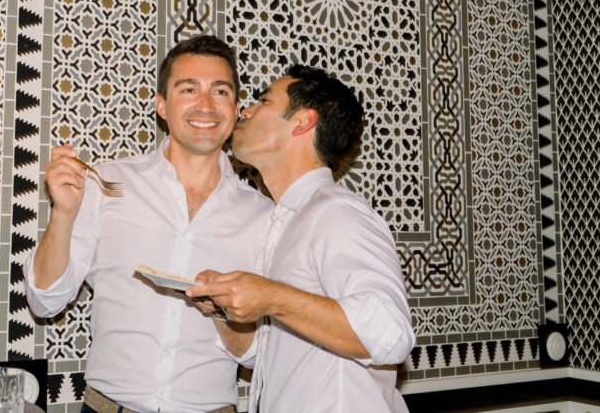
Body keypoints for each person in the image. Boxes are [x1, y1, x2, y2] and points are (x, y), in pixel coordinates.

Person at [24, 35, 273, 413]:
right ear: (162, 105)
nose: (205, 105)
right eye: (188, 89)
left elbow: (261, 357)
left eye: (220, 91)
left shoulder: (264, 215)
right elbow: (45, 301)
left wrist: (225, 314)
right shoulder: (104, 183)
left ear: (237, 109)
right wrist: (63, 213)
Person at [186, 64, 414, 412]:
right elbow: (262, 356)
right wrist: (223, 311)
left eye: (263, 100)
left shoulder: (337, 213)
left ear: (303, 121)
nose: (244, 110)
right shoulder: (282, 222)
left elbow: (390, 333)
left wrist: (271, 297)